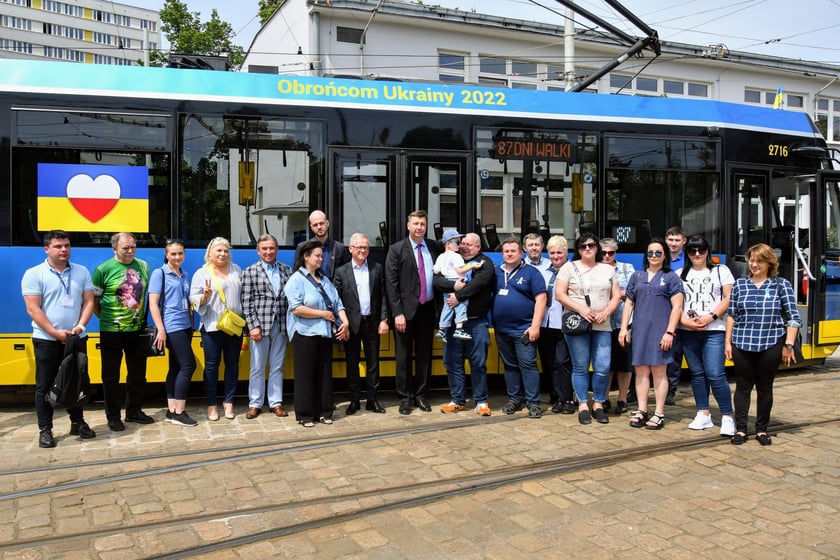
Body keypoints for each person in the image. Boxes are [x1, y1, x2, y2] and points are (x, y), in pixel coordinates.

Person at [22, 230, 96, 447]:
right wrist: (55, 333)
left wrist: (80, 326)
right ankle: (45, 429)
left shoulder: (81, 272)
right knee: (44, 386)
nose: (64, 249)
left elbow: (89, 302)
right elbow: (33, 308)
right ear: (47, 249)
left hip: (75, 337)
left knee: (76, 381)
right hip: (46, 339)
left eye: (66, 245)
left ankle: (77, 422)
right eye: (58, 246)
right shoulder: (34, 274)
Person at [725, 243, 801, 446]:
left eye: (759, 261)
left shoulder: (780, 284)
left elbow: (793, 318)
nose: (754, 264)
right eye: (751, 260)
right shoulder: (740, 285)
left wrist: (789, 345)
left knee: (765, 388)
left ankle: (761, 429)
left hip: (771, 343)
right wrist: (728, 342)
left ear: (769, 263)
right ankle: (741, 429)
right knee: (742, 387)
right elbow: (732, 315)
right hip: (742, 342)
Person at [619, 238, 684, 430]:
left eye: (658, 253)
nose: (654, 256)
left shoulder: (671, 277)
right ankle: (641, 409)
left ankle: (659, 412)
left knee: (659, 372)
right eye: (650, 253)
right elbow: (629, 304)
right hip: (640, 331)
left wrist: (669, 332)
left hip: (660, 331)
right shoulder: (637, 276)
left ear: (665, 255)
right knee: (640, 372)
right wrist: (624, 328)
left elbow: (677, 307)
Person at [556, 233, 621, 425]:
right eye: (583, 246)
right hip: (577, 324)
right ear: (578, 249)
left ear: (596, 248)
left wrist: (606, 313)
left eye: (591, 245)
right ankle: (583, 404)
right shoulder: (569, 267)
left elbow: (616, 296)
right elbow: (560, 294)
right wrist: (582, 309)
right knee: (580, 366)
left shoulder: (607, 270)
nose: (587, 249)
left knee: (603, 366)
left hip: (602, 324)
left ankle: (599, 403)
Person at [284, 239, 349, 427]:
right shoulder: (296, 280)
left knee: (324, 373)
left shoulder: (325, 279)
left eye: (322, 256)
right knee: (305, 374)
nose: (321, 259)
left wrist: (344, 322)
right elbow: (296, 308)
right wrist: (323, 314)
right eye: (318, 256)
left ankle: (325, 411)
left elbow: (338, 304)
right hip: (304, 333)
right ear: (306, 257)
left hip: (324, 333)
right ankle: (305, 414)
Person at [93, 232, 152, 432]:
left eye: (133, 247)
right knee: (111, 376)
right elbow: (94, 301)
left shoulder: (143, 266)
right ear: (114, 249)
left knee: (137, 373)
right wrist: (106, 319)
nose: (130, 251)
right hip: (111, 330)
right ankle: (113, 416)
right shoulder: (102, 269)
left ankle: (134, 411)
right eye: (125, 248)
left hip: (136, 330)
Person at [385, 210, 442, 415]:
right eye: (416, 223)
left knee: (425, 354)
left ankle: (421, 395)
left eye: (422, 224)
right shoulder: (396, 249)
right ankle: (405, 396)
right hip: (405, 312)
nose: (419, 227)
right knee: (403, 355)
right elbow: (391, 284)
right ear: (408, 226)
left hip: (427, 309)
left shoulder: (434, 248)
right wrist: (397, 313)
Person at [678, 235, 735, 436]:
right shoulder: (680, 274)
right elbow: (676, 304)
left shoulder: (721, 271)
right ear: (687, 253)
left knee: (715, 373)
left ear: (707, 251)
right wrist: (686, 322)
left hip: (715, 330)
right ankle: (703, 413)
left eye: (701, 250)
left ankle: (727, 416)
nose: (697, 254)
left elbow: (729, 297)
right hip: (688, 331)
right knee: (697, 374)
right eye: (692, 250)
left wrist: (710, 317)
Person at [433, 232, 496, 416]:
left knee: (478, 362)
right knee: (452, 362)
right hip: (453, 324)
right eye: (462, 243)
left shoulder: (484, 263)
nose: (464, 246)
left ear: (478, 247)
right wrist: (453, 288)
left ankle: (481, 401)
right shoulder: (452, 258)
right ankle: (457, 400)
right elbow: (437, 281)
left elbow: (479, 283)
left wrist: (458, 297)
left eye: (469, 244)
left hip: (476, 323)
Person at [334, 233, 390, 415]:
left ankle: (373, 400)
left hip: (372, 323)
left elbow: (383, 296)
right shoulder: (341, 271)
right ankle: (355, 400)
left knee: (373, 364)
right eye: (358, 247)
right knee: (352, 363)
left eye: (365, 247)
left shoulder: (377, 268)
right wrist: (343, 323)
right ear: (350, 249)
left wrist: (383, 319)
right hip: (351, 325)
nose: (362, 250)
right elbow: (337, 300)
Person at [190, 237, 243, 422]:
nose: (222, 254)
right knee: (211, 367)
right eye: (218, 251)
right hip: (212, 326)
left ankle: (229, 402)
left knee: (232, 364)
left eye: (225, 251)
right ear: (210, 253)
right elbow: (193, 299)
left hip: (233, 326)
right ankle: (211, 404)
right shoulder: (201, 273)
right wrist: (204, 297)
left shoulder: (236, 269)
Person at [493, 237, 547, 419]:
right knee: (510, 367)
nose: (509, 254)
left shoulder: (531, 273)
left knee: (528, 366)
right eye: (506, 251)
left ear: (521, 253)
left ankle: (533, 403)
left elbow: (541, 300)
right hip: (502, 330)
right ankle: (514, 400)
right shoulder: (496, 273)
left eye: (513, 251)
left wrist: (535, 326)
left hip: (524, 329)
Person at [241, 234, 292, 420]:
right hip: (260, 326)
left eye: (271, 248)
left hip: (281, 324)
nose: (268, 252)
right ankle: (255, 403)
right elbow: (246, 302)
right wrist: (253, 326)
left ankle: (275, 402)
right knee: (257, 366)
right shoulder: (249, 272)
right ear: (258, 251)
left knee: (277, 366)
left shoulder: (287, 270)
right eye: (264, 249)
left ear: (277, 250)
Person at [148, 239, 197, 427]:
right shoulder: (159, 273)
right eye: (173, 254)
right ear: (166, 255)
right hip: (171, 326)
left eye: (180, 253)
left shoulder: (184, 275)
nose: (177, 257)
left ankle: (172, 410)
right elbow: (153, 303)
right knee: (188, 365)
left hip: (185, 325)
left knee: (176, 367)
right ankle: (179, 411)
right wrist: (161, 329)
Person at [537, 235, 575, 414]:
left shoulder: (573, 270)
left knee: (563, 362)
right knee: (549, 362)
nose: (556, 256)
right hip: (545, 323)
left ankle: (567, 398)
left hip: (564, 323)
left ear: (566, 253)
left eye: (559, 252)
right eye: (552, 253)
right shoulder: (543, 271)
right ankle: (556, 396)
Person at [600, 237, 635, 415]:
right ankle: (604, 398)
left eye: (610, 253)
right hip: (602, 323)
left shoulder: (626, 268)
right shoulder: (595, 268)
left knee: (624, 365)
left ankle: (622, 399)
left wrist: (614, 294)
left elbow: (632, 292)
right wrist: (619, 294)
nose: (606, 256)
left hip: (623, 322)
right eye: (604, 252)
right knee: (605, 364)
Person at [434, 229, 481, 341]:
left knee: (448, 306)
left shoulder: (440, 257)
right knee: (461, 304)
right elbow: (460, 270)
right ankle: (459, 328)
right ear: (448, 244)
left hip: (447, 283)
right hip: (458, 281)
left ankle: (442, 329)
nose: (460, 246)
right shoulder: (456, 256)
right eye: (458, 242)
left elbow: (435, 271)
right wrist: (472, 265)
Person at [665, 225, 687, 404]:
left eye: (677, 240)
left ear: (683, 241)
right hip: (660, 310)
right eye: (670, 240)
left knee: (675, 353)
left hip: (680, 311)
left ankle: (671, 390)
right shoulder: (660, 258)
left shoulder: (688, 261)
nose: (673, 243)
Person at [294, 210, 351, 281]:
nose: (319, 227)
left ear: (327, 223)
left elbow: (346, 273)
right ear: (311, 228)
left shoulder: (339, 248)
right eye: (315, 225)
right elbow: (297, 272)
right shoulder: (303, 247)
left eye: (321, 223)